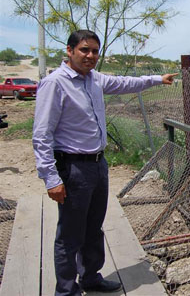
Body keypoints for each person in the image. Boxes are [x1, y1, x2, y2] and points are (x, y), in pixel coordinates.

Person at [32, 30, 178, 296]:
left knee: (93, 227)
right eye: (84, 50)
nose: (90, 56)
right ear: (70, 51)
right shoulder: (55, 83)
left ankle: (90, 278)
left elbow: (125, 83)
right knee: (70, 234)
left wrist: (158, 79)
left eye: (94, 51)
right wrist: (51, 178)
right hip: (73, 167)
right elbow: (42, 135)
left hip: (98, 165)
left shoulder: (95, 80)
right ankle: (65, 291)